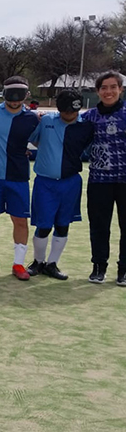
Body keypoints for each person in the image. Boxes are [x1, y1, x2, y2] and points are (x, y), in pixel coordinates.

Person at [26, 90, 94, 280]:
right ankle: (38, 262)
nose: (69, 115)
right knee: (44, 225)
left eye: (73, 112)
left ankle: (52, 264)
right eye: (65, 111)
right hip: (45, 182)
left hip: (71, 182)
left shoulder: (86, 126)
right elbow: (32, 138)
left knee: (63, 224)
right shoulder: (46, 120)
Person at [0, 76, 39, 279]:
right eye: (11, 95)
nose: (14, 100)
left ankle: (18, 265)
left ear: (26, 95)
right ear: (4, 94)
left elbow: (41, 142)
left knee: (20, 220)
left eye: (19, 95)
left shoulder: (32, 118)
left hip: (18, 176)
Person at [81, 71, 126, 285]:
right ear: (98, 91)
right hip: (99, 180)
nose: (109, 92)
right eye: (104, 88)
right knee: (99, 226)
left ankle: (124, 270)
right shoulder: (89, 116)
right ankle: (99, 267)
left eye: (113, 87)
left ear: (120, 89)